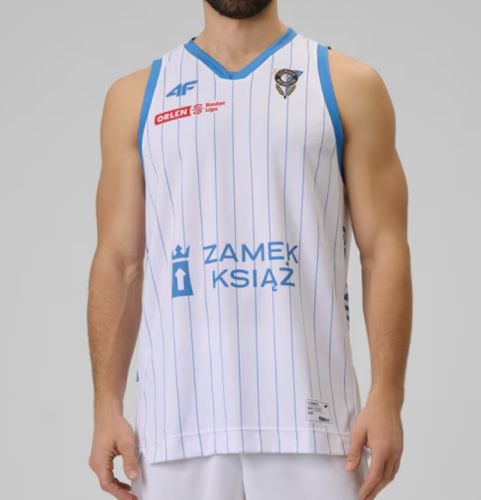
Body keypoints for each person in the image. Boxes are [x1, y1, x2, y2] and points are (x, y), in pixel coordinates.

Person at [87, 0, 412, 499]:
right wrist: (106, 406)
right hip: (177, 427)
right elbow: (118, 261)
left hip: (314, 425)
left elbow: (384, 249)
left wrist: (387, 396)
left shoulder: (347, 84)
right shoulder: (135, 97)